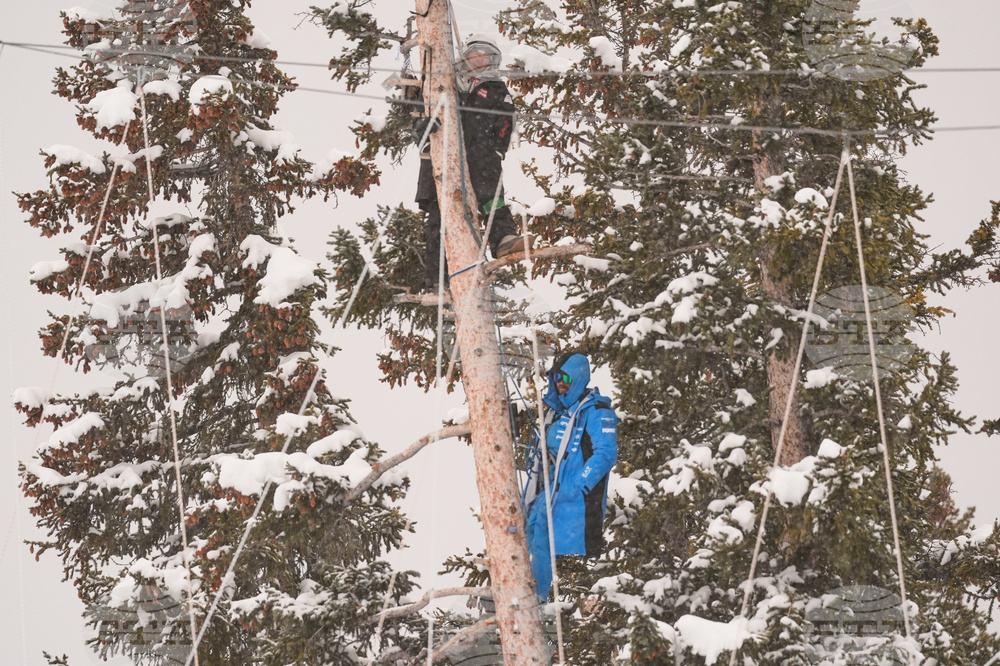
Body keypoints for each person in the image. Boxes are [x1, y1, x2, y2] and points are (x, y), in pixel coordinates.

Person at [413, 35, 530, 291]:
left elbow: (506, 120)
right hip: (443, 153)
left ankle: (503, 239)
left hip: (482, 154)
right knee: (440, 213)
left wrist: (497, 148)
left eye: (485, 57)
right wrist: (423, 128)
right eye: (475, 55)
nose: (479, 61)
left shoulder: (495, 88)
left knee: (492, 199)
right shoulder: (443, 82)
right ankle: (438, 277)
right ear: (465, 57)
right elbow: (418, 113)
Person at [524, 352, 618, 601]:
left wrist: (579, 485)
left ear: (578, 377)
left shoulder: (597, 411)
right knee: (528, 528)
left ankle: (534, 598)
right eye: (556, 378)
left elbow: (606, 453)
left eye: (565, 378)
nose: (560, 383)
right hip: (551, 485)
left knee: (542, 533)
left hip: (571, 491)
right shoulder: (560, 411)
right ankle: (520, 588)